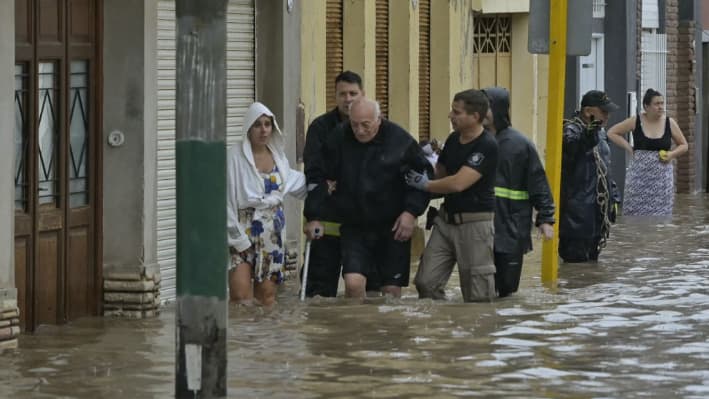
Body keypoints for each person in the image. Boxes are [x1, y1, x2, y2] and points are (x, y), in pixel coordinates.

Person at [305, 98, 432, 299]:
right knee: (353, 284)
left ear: (379, 119)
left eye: (366, 125)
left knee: (389, 293)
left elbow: (423, 180)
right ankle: (356, 330)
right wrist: (314, 214)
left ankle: (382, 330)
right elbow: (316, 174)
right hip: (355, 225)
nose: (360, 131)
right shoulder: (339, 136)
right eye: (354, 124)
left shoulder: (399, 140)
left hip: (393, 227)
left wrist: (411, 212)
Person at [406, 89, 498, 302]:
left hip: (475, 226)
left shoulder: (487, 145)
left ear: (475, 117)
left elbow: (458, 183)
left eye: (456, 112)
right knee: (425, 283)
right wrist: (424, 161)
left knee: (477, 296)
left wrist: (426, 184)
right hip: (446, 222)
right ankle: (445, 327)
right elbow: (442, 174)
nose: (450, 116)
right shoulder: (454, 139)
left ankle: (473, 331)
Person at [227, 102, 307, 306]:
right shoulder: (234, 157)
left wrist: (325, 186)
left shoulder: (278, 158)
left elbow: (296, 183)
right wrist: (238, 240)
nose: (263, 130)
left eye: (267, 124)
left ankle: (266, 338)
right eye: (257, 125)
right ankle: (241, 338)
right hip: (242, 230)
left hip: (273, 232)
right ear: (248, 128)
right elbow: (223, 200)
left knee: (267, 298)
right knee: (240, 297)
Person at [482, 87, 555, 297]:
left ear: (498, 109)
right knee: (480, 289)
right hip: (479, 227)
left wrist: (546, 218)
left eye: (486, 107)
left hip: (511, 228)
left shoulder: (520, 144)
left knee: (506, 289)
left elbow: (538, 182)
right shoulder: (472, 141)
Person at [301, 71, 364, 297]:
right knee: (318, 294)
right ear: (335, 96)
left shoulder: (375, 125)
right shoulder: (320, 128)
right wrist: (313, 216)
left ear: (362, 94)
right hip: (325, 220)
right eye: (342, 94)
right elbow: (314, 173)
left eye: (353, 93)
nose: (348, 99)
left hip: (361, 224)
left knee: (361, 290)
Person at [559, 90, 621, 263]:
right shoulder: (570, 130)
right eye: (603, 111)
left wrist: (614, 197)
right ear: (587, 111)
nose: (607, 116)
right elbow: (572, 148)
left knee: (592, 270)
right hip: (576, 216)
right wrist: (588, 136)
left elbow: (604, 168)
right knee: (576, 266)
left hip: (597, 214)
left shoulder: (600, 133)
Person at [607, 88, 688, 216]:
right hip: (638, 178)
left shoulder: (669, 122)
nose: (661, 107)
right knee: (634, 216)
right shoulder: (636, 121)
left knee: (661, 218)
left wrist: (671, 155)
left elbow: (684, 145)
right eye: (657, 104)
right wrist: (629, 147)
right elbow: (612, 132)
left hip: (662, 180)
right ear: (646, 106)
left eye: (662, 103)